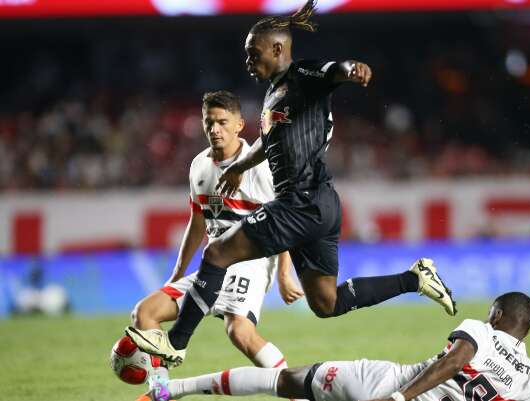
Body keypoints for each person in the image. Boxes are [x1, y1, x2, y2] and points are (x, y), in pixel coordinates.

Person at [125, 0, 456, 369]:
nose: (249, 62)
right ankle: (414, 279)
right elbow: (270, 145)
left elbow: (335, 71)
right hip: (321, 203)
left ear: (278, 49)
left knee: (216, 253)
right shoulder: (274, 95)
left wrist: (353, 69)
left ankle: (176, 343)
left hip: (301, 200)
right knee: (326, 303)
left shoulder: (304, 76)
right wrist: (240, 168)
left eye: (254, 54)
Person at [121, 90, 304, 381]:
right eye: (209, 123)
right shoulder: (199, 166)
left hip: (253, 259)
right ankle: (161, 390)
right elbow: (197, 223)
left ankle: (297, 391)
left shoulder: (260, 166)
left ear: (239, 125)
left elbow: (283, 219)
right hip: (213, 264)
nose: (215, 129)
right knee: (144, 313)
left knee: (239, 331)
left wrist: (284, 274)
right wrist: (177, 273)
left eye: (222, 122)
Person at [142, 292, 530, 401]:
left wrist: (402, 395)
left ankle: (172, 390)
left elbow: (458, 358)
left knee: (288, 381)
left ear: (497, 315)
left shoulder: (480, 329)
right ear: (526, 333)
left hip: (384, 385)